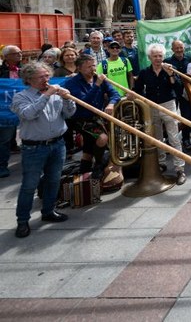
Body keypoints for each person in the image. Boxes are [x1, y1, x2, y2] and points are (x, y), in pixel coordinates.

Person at [11, 62, 76, 238]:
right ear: (29, 79)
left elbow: (69, 114)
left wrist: (67, 99)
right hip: (34, 148)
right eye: (41, 77)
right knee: (29, 186)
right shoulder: (21, 97)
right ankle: (22, 220)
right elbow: (28, 114)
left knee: (53, 180)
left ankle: (48, 211)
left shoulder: (55, 94)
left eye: (47, 76)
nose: (46, 80)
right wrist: (47, 95)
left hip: (57, 144)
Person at [134, 44, 186, 185]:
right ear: (150, 57)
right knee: (157, 137)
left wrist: (171, 75)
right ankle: (161, 164)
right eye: (155, 56)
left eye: (160, 56)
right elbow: (137, 89)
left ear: (163, 57)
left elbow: (179, 88)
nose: (158, 58)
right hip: (152, 107)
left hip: (168, 104)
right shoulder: (145, 72)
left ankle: (180, 169)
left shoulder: (170, 70)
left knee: (174, 138)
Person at [63, 54, 120, 175]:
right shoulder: (72, 83)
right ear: (79, 68)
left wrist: (111, 104)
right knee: (102, 138)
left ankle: (85, 173)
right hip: (81, 118)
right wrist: (97, 85)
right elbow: (84, 102)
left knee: (88, 149)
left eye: (93, 65)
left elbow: (115, 94)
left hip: (97, 117)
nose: (93, 69)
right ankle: (99, 164)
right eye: (89, 67)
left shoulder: (98, 78)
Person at [0, 45, 23, 178]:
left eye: (20, 52)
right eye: (15, 53)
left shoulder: (24, 70)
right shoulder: (1, 71)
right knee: (4, 140)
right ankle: (2, 166)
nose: (19, 55)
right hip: (5, 111)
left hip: (22, 108)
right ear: (6, 57)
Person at [165, 40, 191, 147]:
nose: (179, 50)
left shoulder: (190, 59)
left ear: (184, 48)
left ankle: (186, 139)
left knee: (186, 116)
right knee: (170, 118)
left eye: (180, 47)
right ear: (172, 49)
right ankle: (169, 139)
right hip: (172, 93)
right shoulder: (167, 61)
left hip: (185, 93)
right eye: (176, 48)